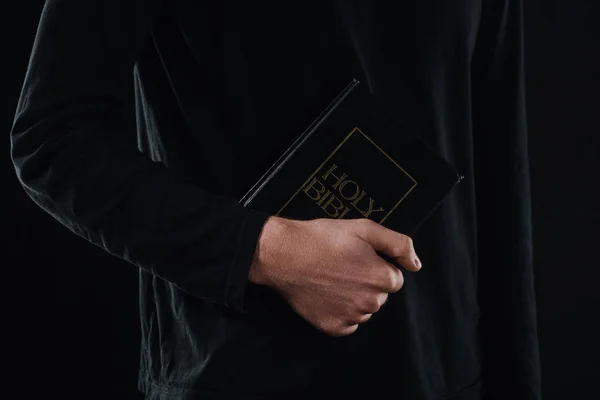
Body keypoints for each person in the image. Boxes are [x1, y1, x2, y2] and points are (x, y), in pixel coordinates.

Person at [11, 1, 541, 399]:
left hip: (445, 376)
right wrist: (264, 249)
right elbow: (52, 139)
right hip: (238, 376)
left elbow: (498, 169)